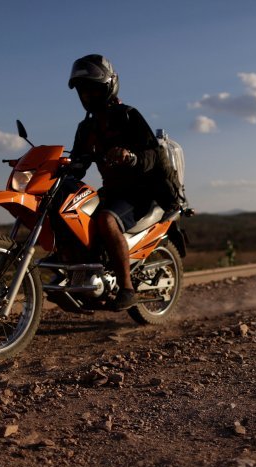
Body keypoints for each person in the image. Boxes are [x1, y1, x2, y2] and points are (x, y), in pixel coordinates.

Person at [67, 54, 170, 311]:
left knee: (106, 220)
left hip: (140, 191)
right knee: (73, 214)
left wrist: (131, 157)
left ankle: (126, 287)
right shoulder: (85, 128)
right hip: (112, 191)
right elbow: (77, 162)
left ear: (107, 86)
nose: (87, 95)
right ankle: (82, 281)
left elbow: (153, 154)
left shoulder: (128, 116)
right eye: (82, 90)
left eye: (92, 88)